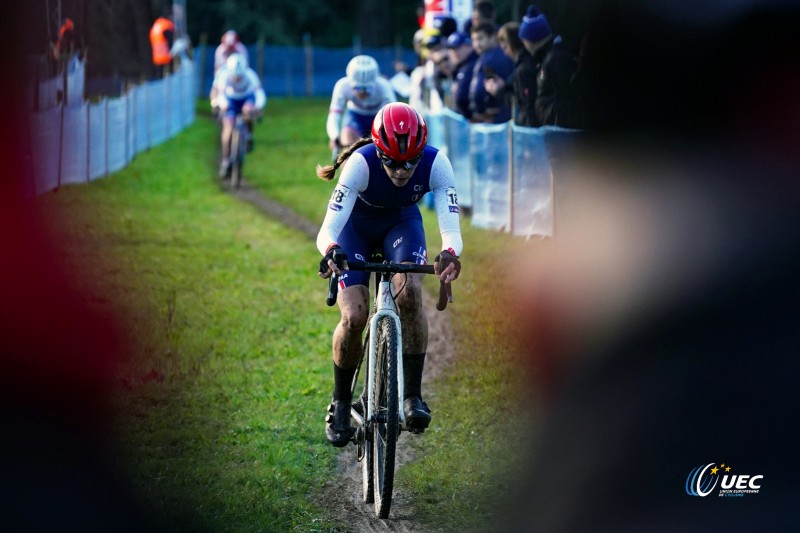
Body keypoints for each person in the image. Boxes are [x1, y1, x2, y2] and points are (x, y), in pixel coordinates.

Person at [315, 102, 464, 447]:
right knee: (354, 316)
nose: (402, 170)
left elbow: (451, 229)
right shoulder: (360, 163)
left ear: (421, 153)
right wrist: (331, 251)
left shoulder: (437, 164)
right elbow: (328, 229)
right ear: (379, 152)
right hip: (356, 230)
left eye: (411, 161)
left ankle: (412, 395)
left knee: (410, 294)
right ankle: (339, 403)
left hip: (401, 225)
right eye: (393, 163)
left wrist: (450, 253)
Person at [518, 5, 583, 128]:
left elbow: (568, 95)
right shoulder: (546, 57)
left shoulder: (556, 58)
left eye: (523, 39)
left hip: (561, 134)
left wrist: (560, 122)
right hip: (554, 131)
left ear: (530, 39)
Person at [326, 55, 396, 156]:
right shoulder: (342, 86)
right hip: (354, 117)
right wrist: (334, 136)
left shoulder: (384, 87)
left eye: (367, 89)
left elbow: (393, 116)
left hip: (378, 118)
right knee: (347, 153)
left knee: (379, 156)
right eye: (358, 88)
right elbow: (334, 114)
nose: (362, 93)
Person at [210, 53, 266, 178]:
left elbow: (259, 93)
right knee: (228, 128)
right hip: (230, 100)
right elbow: (218, 94)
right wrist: (220, 105)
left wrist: (258, 106)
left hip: (246, 99)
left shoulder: (251, 75)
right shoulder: (223, 75)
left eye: (240, 77)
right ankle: (225, 160)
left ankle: (249, 135)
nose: (238, 79)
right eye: (236, 77)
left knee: (248, 111)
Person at [484, 22, 539, 126]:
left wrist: (498, 91)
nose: (505, 53)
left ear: (510, 45)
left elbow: (522, 104)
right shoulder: (528, 63)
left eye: (504, 47)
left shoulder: (523, 69)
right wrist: (504, 87)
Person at [469, 22, 515, 123]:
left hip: (495, 117)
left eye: (480, 38)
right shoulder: (507, 54)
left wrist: (480, 111)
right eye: (474, 40)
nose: (477, 44)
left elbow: (479, 90)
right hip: (510, 114)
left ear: (493, 37)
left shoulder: (487, 60)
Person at [445, 31, 479, 119]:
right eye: (451, 48)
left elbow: (461, 97)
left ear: (469, 46)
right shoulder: (460, 66)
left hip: (470, 121)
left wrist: (471, 116)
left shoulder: (470, 66)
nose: (453, 52)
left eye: (457, 47)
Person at [149, 10, 175, 78]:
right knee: (171, 75)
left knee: (159, 77)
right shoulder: (166, 24)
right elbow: (169, 39)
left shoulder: (157, 24)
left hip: (157, 55)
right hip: (166, 52)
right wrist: (171, 49)